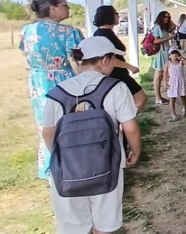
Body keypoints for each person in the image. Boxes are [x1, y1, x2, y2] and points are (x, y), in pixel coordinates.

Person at [41, 36, 141, 234]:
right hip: (107, 165)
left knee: (74, 225)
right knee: (104, 223)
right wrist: (135, 153)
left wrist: (62, 157)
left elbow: (47, 132)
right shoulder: (117, 88)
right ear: (105, 60)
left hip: (68, 171)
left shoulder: (56, 93)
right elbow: (130, 128)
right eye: (113, 59)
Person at [19, 0, 84, 179]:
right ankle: (71, 165)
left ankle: (50, 168)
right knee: (68, 121)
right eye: (65, 4)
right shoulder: (69, 32)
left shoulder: (26, 31)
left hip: (37, 80)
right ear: (53, 9)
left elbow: (25, 59)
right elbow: (80, 61)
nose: (68, 7)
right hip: (62, 79)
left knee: (45, 124)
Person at [92, 5, 148, 111]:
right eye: (116, 13)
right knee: (140, 99)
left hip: (117, 74)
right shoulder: (104, 34)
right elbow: (109, 59)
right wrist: (130, 66)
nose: (118, 16)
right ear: (110, 16)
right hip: (117, 75)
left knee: (124, 103)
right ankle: (125, 123)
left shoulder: (103, 33)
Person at [152, 11, 177, 105]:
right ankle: (158, 97)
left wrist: (169, 20)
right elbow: (155, 40)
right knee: (158, 75)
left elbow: (174, 26)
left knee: (163, 74)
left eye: (168, 17)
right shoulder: (157, 27)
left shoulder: (164, 27)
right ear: (160, 17)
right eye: (165, 17)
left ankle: (160, 97)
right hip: (160, 53)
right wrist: (168, 38)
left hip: (165, 51)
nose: (167, 18)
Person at [164, 46, 186, 122]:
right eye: (172, 53)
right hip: (172, 83)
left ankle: (185, 109)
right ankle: (173, 114)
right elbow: (165, 74)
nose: (175, 55)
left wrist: (183, 58)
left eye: (176, 53)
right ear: (169, 56)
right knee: (172, 98)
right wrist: (165, 82)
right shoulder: (168, 64)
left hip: (181, 81)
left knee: (183, 96)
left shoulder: (181, 62)